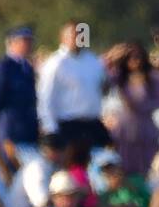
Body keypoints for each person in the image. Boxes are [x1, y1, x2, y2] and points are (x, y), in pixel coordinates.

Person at [37, 20, 109, 148]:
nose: (78, 38)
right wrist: (50, 128)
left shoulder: (92, 61)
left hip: (92, 124)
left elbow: (102, 87)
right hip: (68, 125)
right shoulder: (55, 63)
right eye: (74, 34)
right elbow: (45, 97)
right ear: (63, 37)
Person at [105, 41, 159, 178]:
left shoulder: (152, 77)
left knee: (146, 165)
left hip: (145, 126)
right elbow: (103, 77)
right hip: (124, 127)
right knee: (123, 163)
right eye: (131, 57)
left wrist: (141, 107)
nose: (135, 61)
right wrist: (112, 56)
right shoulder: (120, 77)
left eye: (138, 57)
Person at [0, 27, 39, 149]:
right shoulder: (4, 66)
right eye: (25, 41)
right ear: (13, 43)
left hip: (28, 127)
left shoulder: (27, 67)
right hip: (11, 127)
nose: (29, 46)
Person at [5, 131, 66, 207]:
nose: (63, 156)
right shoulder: (37, 167)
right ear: (49, 151)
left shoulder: (51, 165)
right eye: (60, 152)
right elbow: (41, 203)